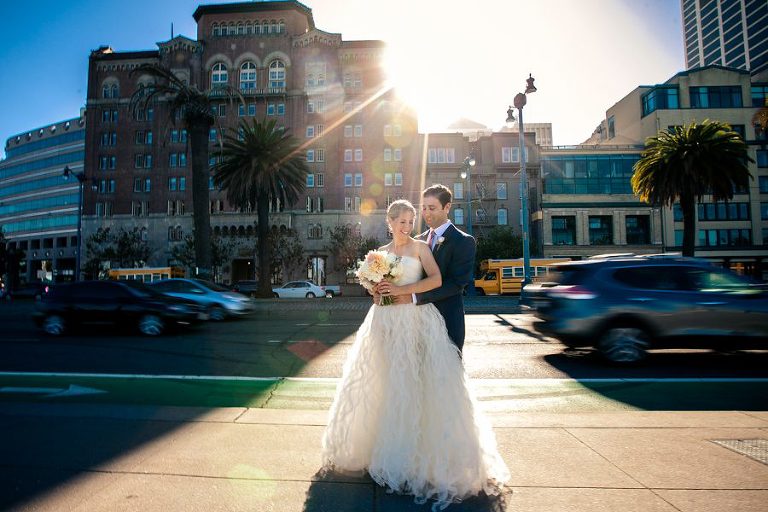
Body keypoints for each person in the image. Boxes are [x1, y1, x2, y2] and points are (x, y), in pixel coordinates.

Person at [322, 199, 509, 511]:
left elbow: (436, 280)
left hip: (415, 319)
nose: (407, 227)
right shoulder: (378, 254)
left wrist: (405, 293)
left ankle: (417, 454)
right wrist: (376, 289)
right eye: (402, 222)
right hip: (384, 322)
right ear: (390, 222)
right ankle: (383, 449)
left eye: (411, 222)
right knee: (385, 381)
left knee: (415, 381)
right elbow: (371, 285)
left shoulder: (422, 249)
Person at [390, 184, 475, 351]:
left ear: (447, 207)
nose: (426, 213)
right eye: (423, 208)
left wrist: (414, 297)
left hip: (447, 320)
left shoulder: (464, 241)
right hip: (415, 323)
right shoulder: (417, 240)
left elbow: (457, 284)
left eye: (432, 208)